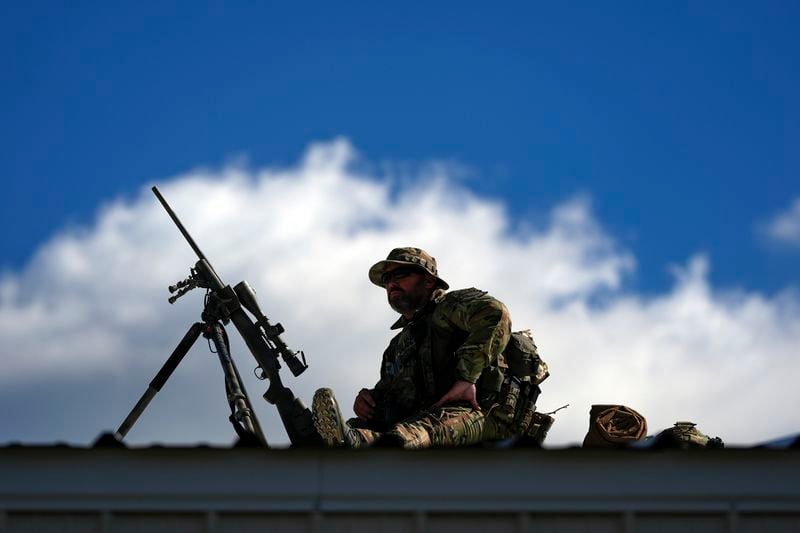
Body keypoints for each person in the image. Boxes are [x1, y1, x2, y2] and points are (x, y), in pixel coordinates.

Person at [312, 247, 518, 449]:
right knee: (359, 428)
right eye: (386, 279)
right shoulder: (397, 347)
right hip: (425, 420)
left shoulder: (449, 308)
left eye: (400, 274)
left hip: (481, 413)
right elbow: (395, 393)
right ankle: (338, 442)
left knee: (415, 434)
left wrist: (466, 378)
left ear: (429, 281)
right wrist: (370, 400)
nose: (392, 282)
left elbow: (495, 313)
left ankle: (355, 444)